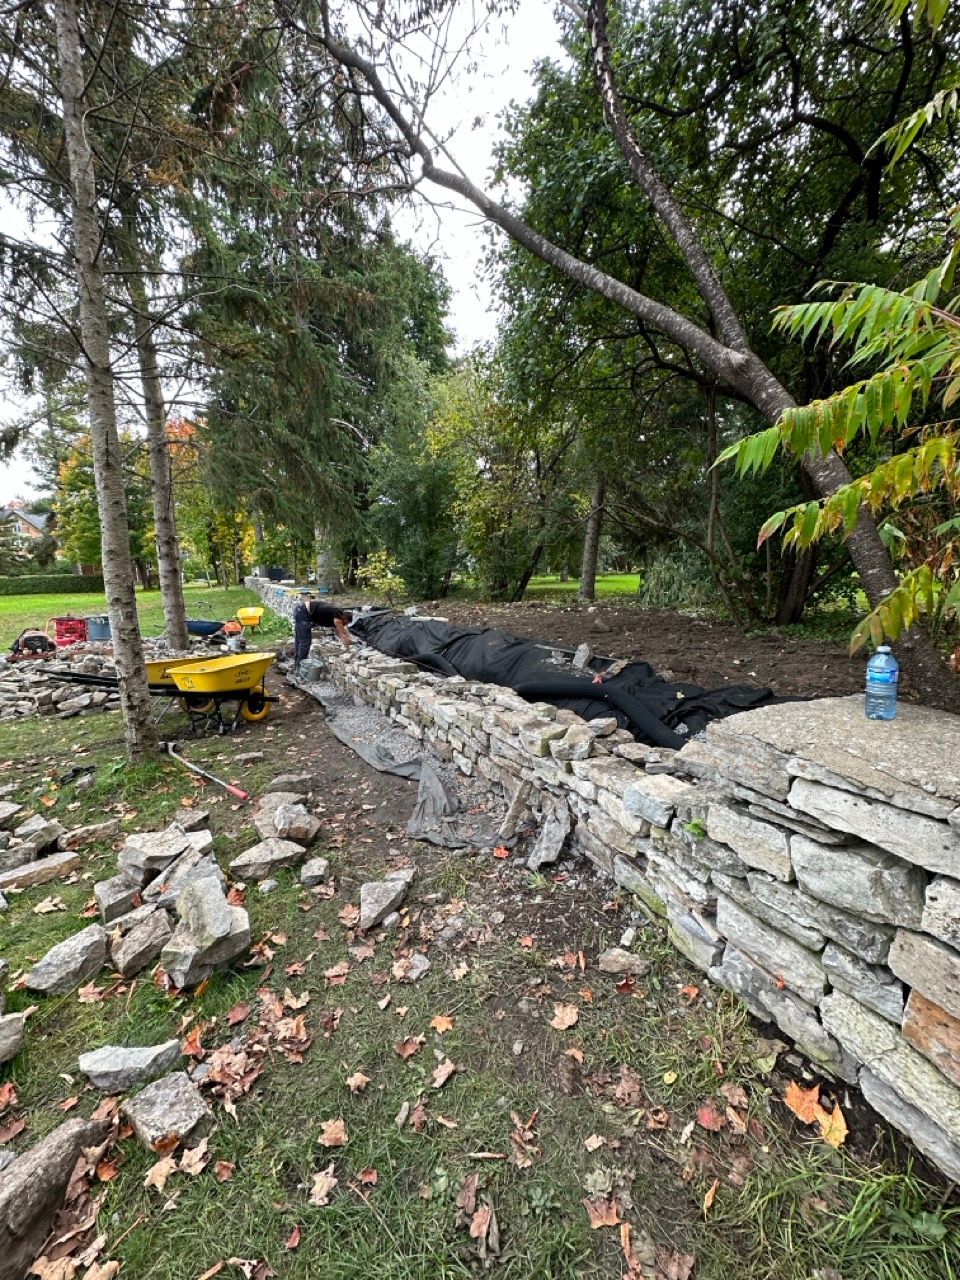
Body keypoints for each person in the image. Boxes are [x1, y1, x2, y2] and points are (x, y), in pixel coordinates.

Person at [293, 592, 352, 669]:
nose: (344, 625)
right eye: (345, 623)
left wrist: (348, 639)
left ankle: (297, 663)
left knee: (299, 640)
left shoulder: (335, 614)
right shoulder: (337, 614)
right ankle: (300, 667)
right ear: (344, 618)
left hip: (300, 610)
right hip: (303, 612)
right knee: (305, 643)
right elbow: (342, 633)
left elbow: (338, 631)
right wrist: (347, 649)